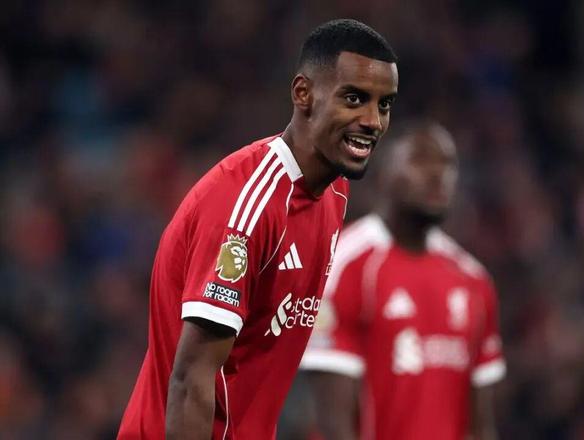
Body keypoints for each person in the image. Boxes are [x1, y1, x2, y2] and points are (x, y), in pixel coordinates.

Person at [117, 19, 398, 440]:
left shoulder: (335, 191)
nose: (372, 120)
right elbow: (191, 380)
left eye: (384, 104)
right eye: (354, 98)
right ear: (303, 93)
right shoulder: (246, 206)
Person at [299, 122, 506, 440]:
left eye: (447, 164)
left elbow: (481, 426)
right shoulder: (345, 266)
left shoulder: (473, 281)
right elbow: (333, 423)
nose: (437, 174)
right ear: (383, 173)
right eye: (420, 160)